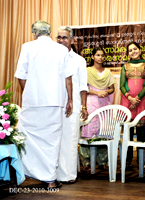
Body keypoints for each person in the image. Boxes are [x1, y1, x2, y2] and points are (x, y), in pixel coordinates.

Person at [14, 20, 73, 189]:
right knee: (52, 140)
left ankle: (27, 172)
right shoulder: (61, 49)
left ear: (34, 33)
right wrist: (70, 100)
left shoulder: (27, 46)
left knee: (26, 135)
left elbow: (20, 75)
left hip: (33, 101)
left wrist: (28, 92)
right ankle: (51, 181)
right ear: (49, 32)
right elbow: (68, 77)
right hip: (55, 101)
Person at [56, 26, 88, 183]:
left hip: (73, 106)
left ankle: (68, 176)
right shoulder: (51, 58)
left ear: (72, 40)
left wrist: (84, 106)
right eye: (59, 37)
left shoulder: (79, 60)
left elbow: (83, 86)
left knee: (69, 141)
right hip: (54, 106)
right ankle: (51, 174)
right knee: (54, 141)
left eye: (65, 37)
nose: (61, 40)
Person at [80, 47, 115, 172]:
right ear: (93, 57)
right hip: (91, 102)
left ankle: (102, 161)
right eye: (98, 55)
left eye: (102, 55)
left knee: (103, 131)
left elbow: (112, 88)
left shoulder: (107, 72)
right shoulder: (87, 71)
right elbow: (83, 87)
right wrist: (96, 92)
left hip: (104, 103)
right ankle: (86, 161)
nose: (100, 57)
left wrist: (106, 92)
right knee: (88, 131)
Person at [120, 41, 145, 170]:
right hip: (127, 101)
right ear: (128, 53)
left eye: (135, 49)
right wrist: (130, 98)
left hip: (142, 101)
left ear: (140, 50)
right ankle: (127, 161)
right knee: (127, 133)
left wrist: (137, 99)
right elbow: (122, 85)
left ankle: (141, 161)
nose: (133, 51)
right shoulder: (125, 66)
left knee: (141, 134)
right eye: (130, 50)